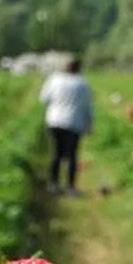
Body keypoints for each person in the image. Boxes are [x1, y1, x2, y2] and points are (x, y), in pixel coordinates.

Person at [40, 57, 94, 196]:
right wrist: (90, 124)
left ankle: (53, 184)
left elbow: (44, 99)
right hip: (74, 122)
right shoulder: (83, 84)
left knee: (56, 153)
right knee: (72, 155)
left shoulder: (54, 79)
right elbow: (88, 107)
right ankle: (70, 187)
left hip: (54, 120)